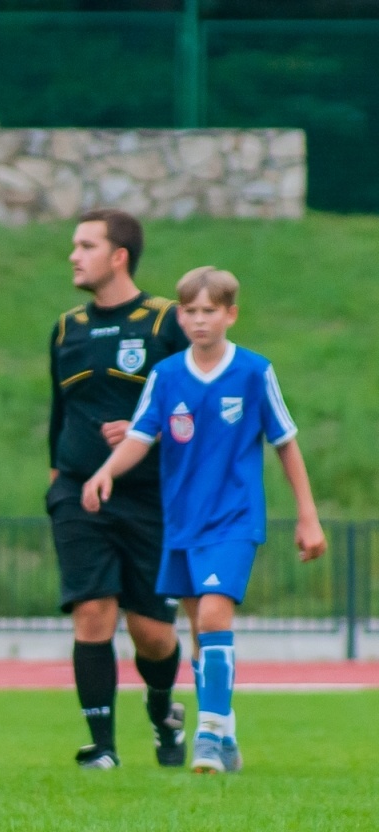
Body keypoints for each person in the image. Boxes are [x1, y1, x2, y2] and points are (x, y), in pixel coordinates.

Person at [82, 266, 325, 774]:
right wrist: (105, 472)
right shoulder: (167, 376)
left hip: (234, 520)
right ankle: (227, 729)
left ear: (230, 314)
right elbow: (141, 436)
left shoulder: (254, 372)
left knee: (215, 618)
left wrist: (308, 516)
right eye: (189, 311)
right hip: (182, 524)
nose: (198, 320)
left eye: (209, 311)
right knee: (199, 630)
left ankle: (210, 735)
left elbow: (285, 443)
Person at [47, 209, 191, 770]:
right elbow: (59, 413)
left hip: (151, 498)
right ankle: (101, 747)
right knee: (93, 612)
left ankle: (163, 711)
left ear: (118, 256)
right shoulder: (66, 328)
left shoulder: (167, 322)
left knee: (152, 633)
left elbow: (193, 409)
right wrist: (57, 479)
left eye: (85, 245)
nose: (73, 255)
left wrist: (144, 433)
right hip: (80, 493)